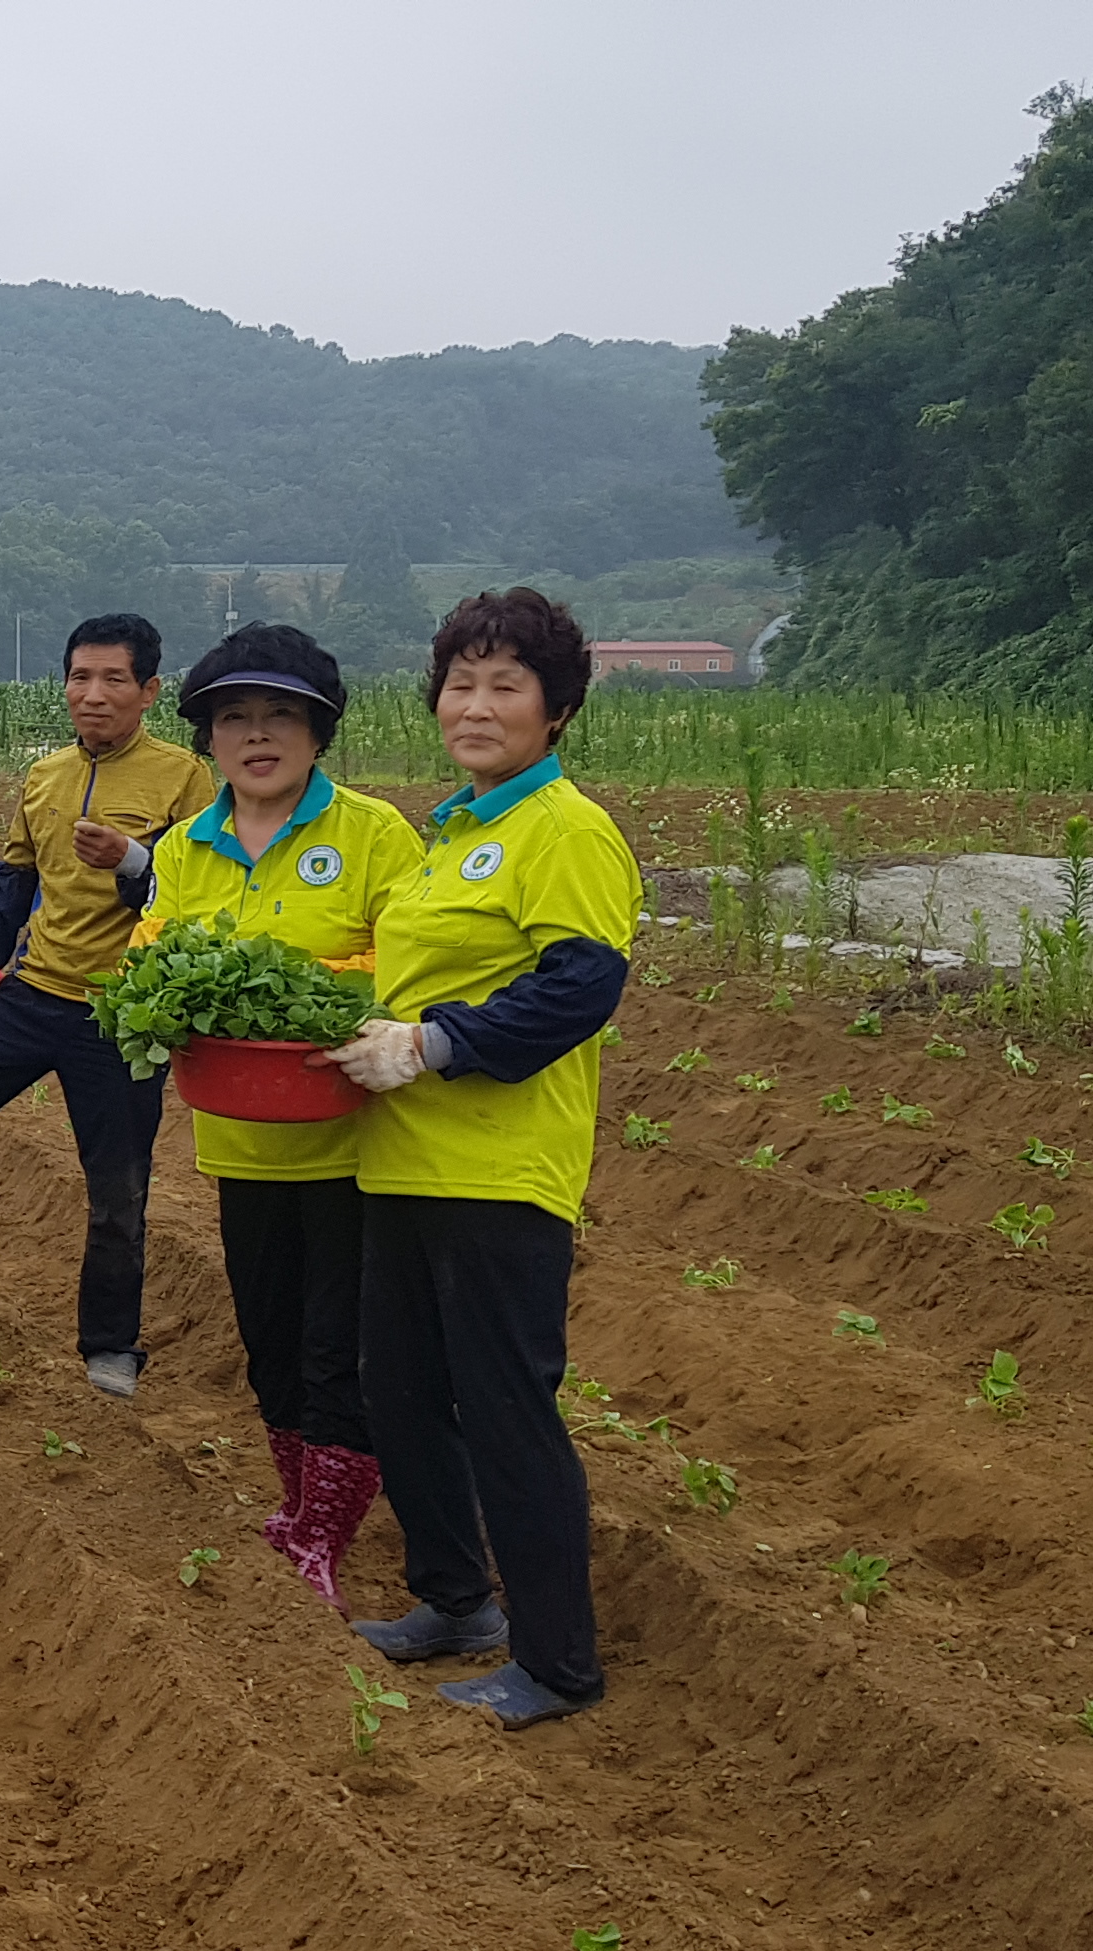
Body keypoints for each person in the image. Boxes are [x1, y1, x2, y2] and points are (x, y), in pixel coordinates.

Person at [324, 587, 639, 1729]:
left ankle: (557, 1661)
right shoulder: (456, 828)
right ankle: (454, 1601)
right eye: (461, 680)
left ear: (557, 710)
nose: (477, 703)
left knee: (507, 1408)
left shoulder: (563, 829)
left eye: (507, 684)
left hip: (500, 1170)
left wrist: (439, 1043)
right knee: (401, 1394)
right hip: (400, 1160)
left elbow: (581, 985)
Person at [137, 624, 420, 1608]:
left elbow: (414, 962)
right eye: (235, 719)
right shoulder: (183, 848)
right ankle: (300, 1506)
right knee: (267, 1334)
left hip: (351, 1143)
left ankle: (327, 1535)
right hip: (242, 1136)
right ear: (209, 739)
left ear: (318, 731)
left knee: (335, 1343)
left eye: (281, 716)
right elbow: (153, 954)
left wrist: (334, 982)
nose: (258, 735)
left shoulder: (375, 835)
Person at [0, 613, 212, 1398]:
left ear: (149, 692)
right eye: (80, 677)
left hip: (120, 1013)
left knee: (117, 1187)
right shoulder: (45, 777)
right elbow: (13, 880)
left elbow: (198, 895)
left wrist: (136, 860)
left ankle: (110, 1344)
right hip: (34, 993)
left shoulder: (185, 779)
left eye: (113, 680)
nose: (93, 695)